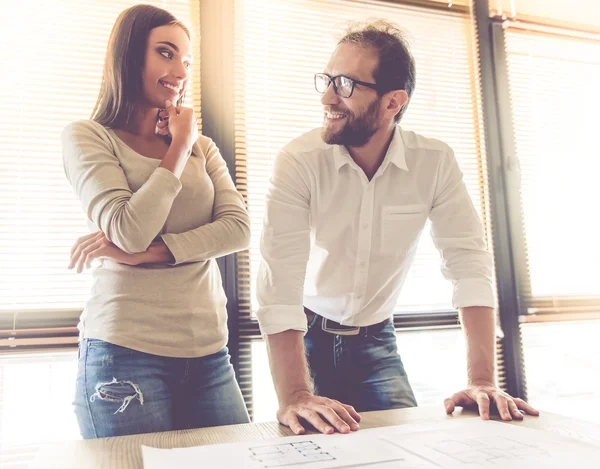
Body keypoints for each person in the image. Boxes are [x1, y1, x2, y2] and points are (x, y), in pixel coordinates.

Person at [256, 20, 539, 436]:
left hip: (377, 340)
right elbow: (279, 278)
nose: (327, 96)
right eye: (328, 79)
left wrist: (481, 379)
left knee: (409, 448)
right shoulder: (297, 160)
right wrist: (295, 393)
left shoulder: (435, 162)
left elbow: (468, 263)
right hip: (308, 337)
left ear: (393, 103)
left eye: (346, 84)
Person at [62, 4, 250, 439]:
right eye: (166, 53)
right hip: (125, 353)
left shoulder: (204, 147)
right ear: (129, 57)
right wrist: (178, 148)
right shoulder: (88, 137)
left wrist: (153, 254)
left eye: (186, 60)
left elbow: (238, 228)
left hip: (208, 352)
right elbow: (128, 229)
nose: (180, 70)